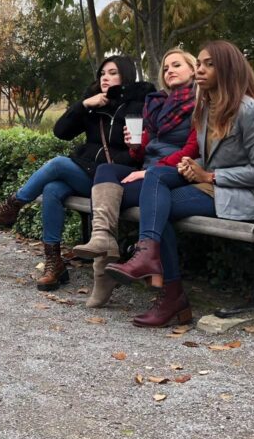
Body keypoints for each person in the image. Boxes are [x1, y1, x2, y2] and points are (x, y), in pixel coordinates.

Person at [106, 40, 254, 327]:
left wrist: (210, 175)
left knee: (157, 207)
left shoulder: (250, 112)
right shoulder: (204, 107)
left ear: (227, 68)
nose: (200, 69)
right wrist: (193, 166)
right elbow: (207, 155)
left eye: (208, 64)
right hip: (210, 185)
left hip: (243, 195)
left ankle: (170, 292)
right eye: (199, 63)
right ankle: (150, 257)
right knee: (156, 177)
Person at [0, 56, 153, 292]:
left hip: (113, 179)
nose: (105, 78)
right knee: (52, 189)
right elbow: (61, 132)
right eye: (102, 74)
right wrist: (84, 106)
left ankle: (12, 206)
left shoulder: (139, 106)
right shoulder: (94, 105)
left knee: (58, 164)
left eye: (112, 73)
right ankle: (54, 263)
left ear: (126, 76)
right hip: (88, 174)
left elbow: (140, 152)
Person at [70, 48, 199, 309]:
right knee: (106, 171)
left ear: (193, 69)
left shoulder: (201, 102)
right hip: (150, 170)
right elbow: (148, 147)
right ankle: (103, 247)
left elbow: (192, 150)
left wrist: (150, 170)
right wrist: (136, 147)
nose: (170, 70)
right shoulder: (161, 102)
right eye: (166, 68)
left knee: (113, 194)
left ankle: (105, 272)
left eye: (176, 65)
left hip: (175, 174)